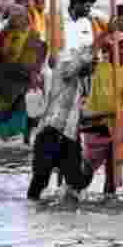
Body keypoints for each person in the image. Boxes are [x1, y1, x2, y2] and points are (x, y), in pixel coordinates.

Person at [27, 44, 95, 200]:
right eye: (90, 64)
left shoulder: (81, 83)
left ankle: (64, 201)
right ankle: (34, 208)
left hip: (68, 136)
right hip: (50, 133)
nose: (92, 67)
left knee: (78, 181)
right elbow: (78, 64)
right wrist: (100, 39)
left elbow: (78, 110)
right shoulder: (64, 68)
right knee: (40, 181)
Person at [81, 31, 123, 192]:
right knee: (88, 169)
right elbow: (89, 55)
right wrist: (103, 37)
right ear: (108, 49)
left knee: (112, 169)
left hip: (116, 124)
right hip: (95, 121)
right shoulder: (98, 67)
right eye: (118, 46)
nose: (122, 50)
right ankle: (75, 190)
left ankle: (109, 198)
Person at [0, 5, 46, 143]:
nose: (16, 20)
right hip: (6, 77)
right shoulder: (3, 34)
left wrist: (35, 72)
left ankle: (23, 136)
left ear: (25, 18)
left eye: (19, 17)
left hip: (26, 76)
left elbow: (40, 54)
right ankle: (5, 135)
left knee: (24, 106)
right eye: (13, 17)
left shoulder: (33, 35)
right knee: (4, 107)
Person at [52, 0, 98, 66]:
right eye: (87, 6)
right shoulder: (57, 19)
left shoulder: (86, 22)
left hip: (79, 68)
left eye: (90, 7)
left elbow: (88, 47)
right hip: (59, 68)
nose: (89, 10)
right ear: (77, 4)